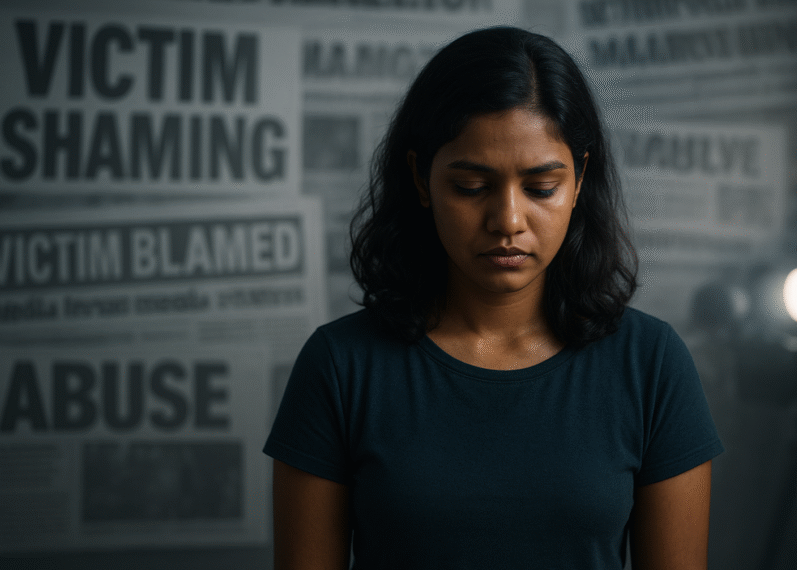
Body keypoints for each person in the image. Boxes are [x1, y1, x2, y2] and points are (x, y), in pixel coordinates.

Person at [264, 26, 723, 570]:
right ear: (421, 179)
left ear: (579, 180)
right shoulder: (340, 368)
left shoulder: (651, 366)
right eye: (471, 187)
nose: (507, 220)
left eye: (541, 188)